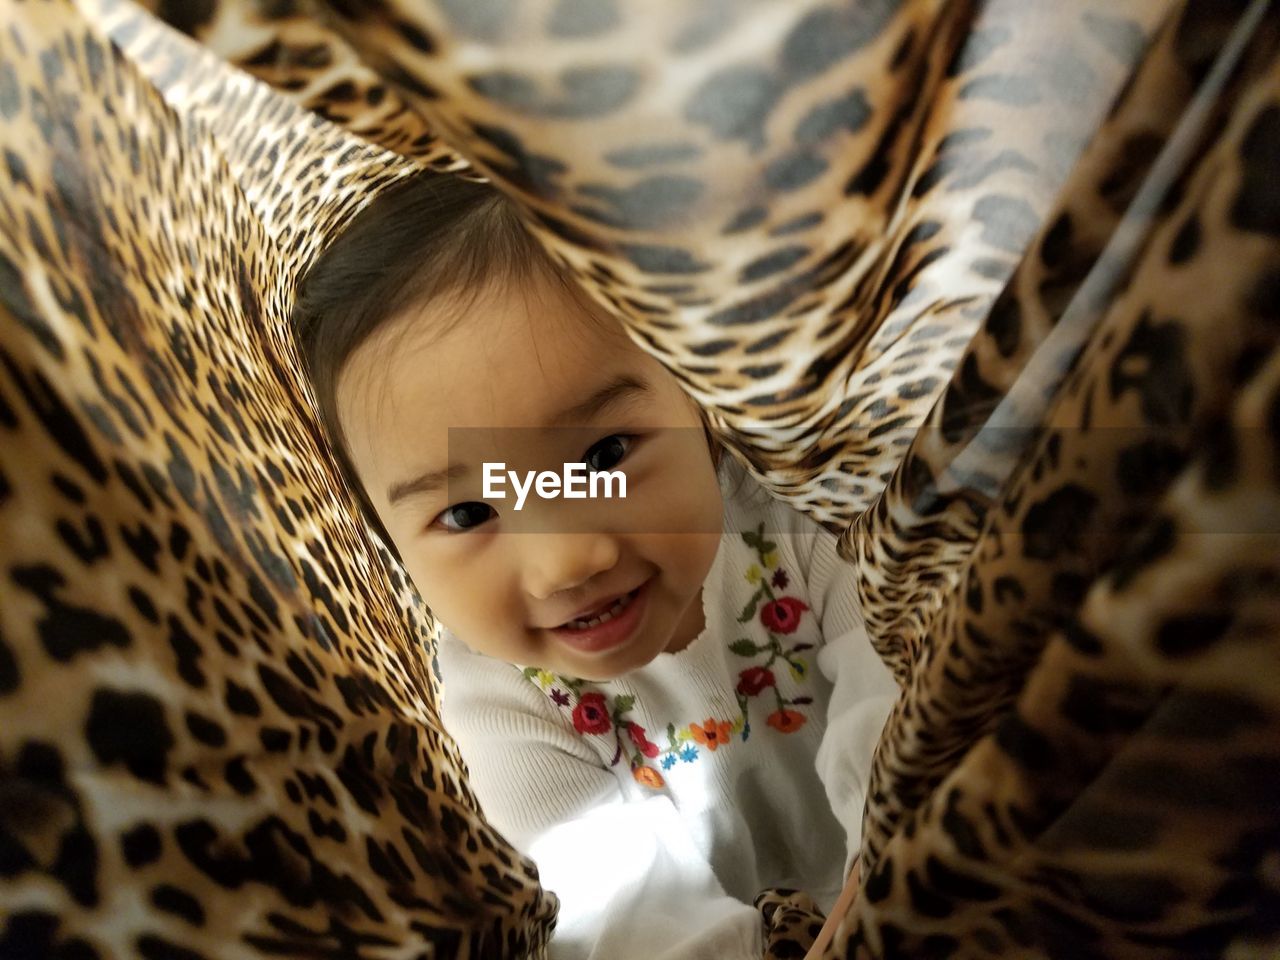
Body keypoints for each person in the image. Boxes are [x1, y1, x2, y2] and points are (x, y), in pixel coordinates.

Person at [290, 170, 899, 958]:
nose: (564, 562)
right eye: (469, 514)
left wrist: (888, 877)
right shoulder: (497, 698)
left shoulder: (797, 516)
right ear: (388, 544)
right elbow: (627, 919)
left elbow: (903, 690)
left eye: (604, 455)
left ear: (699, 406)